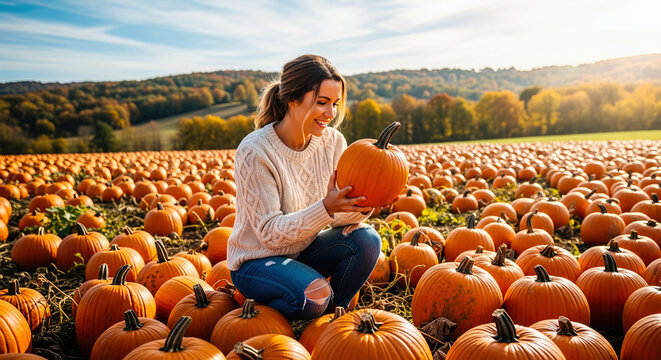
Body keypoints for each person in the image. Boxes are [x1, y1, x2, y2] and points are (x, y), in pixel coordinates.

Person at [227, 54, 383, 319]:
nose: (331, 114)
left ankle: (334, 317)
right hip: (257, 262)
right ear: (293, 99)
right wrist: (325, 208)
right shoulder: (256, 151)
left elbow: (339, 218)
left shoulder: (333, 142)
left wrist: (363, 203)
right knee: (313, 297)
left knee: (367, 239)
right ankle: (274, 312)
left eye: (335, 103)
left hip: (304, 251)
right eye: (322, 102)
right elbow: (269, 234)